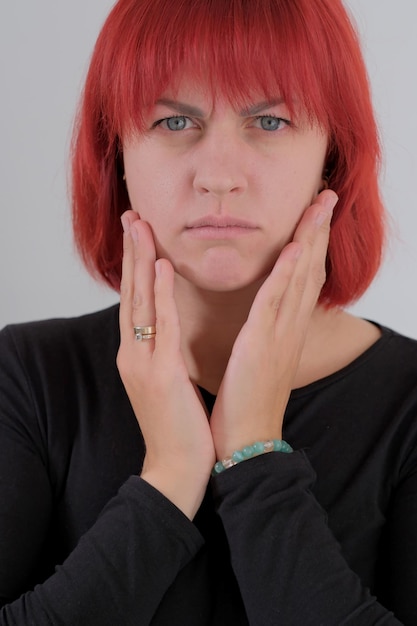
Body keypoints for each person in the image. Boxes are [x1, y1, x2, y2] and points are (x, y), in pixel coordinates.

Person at [0, 0, 416, 623]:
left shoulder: (407, 398)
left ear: (333, 155)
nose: (219, 176)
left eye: (270, 121)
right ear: (117, 154)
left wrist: (254, 452)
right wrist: (169, 477)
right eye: (173, 123)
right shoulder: (27, 376)